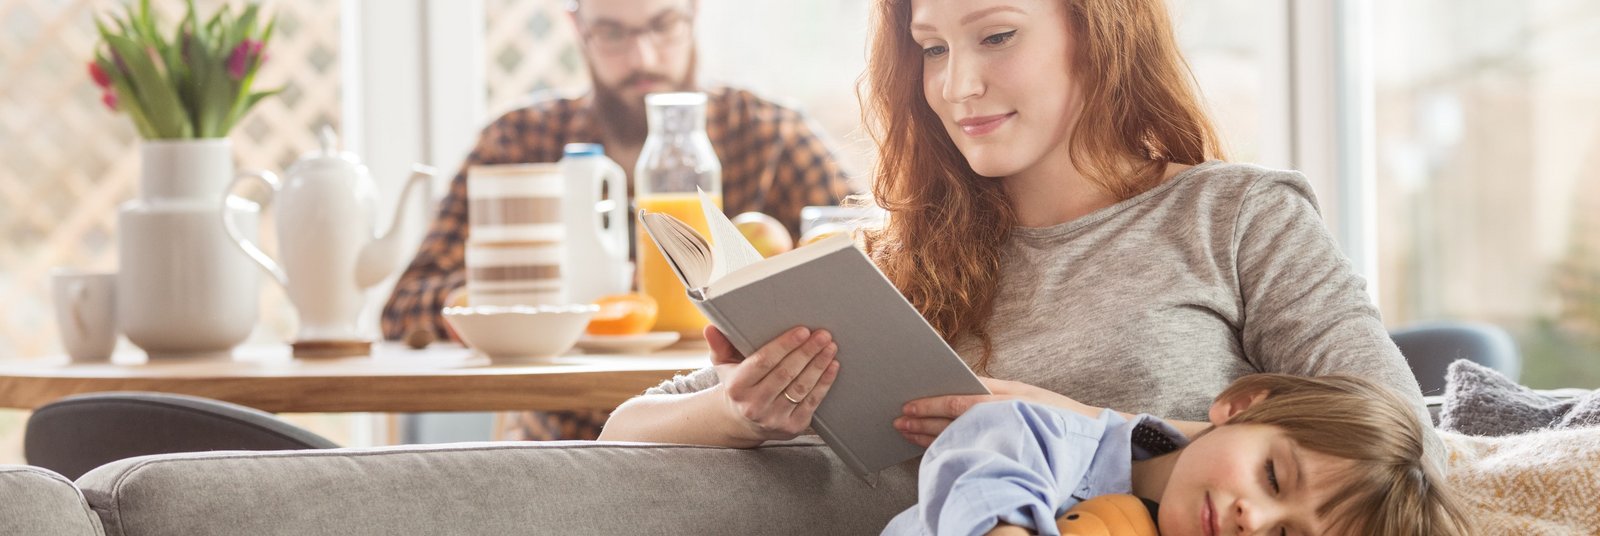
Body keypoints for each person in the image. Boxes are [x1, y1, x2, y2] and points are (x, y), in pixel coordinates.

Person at [598, 0, 1441, 469]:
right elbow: (624, 430)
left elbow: (1404, 445)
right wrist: (741, 413)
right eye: (931, 49)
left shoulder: (1237, 217)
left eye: (996, 36)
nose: (958, 85)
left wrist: (1089, 429)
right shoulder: (893, 266)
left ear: (1098, 28)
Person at [381, 0, 855, 440]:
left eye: (663, 25)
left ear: (693, 13)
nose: (642, 56)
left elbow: (870, 261)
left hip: (740, 446)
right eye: (612, 33)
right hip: (565, 441)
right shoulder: (521, 141)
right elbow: (405, 306)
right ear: (578, 30)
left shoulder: (771, 137)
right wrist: (528, 297)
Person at [883, 373, 1472, 535]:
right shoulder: (1054, 439)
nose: (1255, 520)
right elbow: (985, 464)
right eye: (1271, 476)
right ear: (1240, 407)